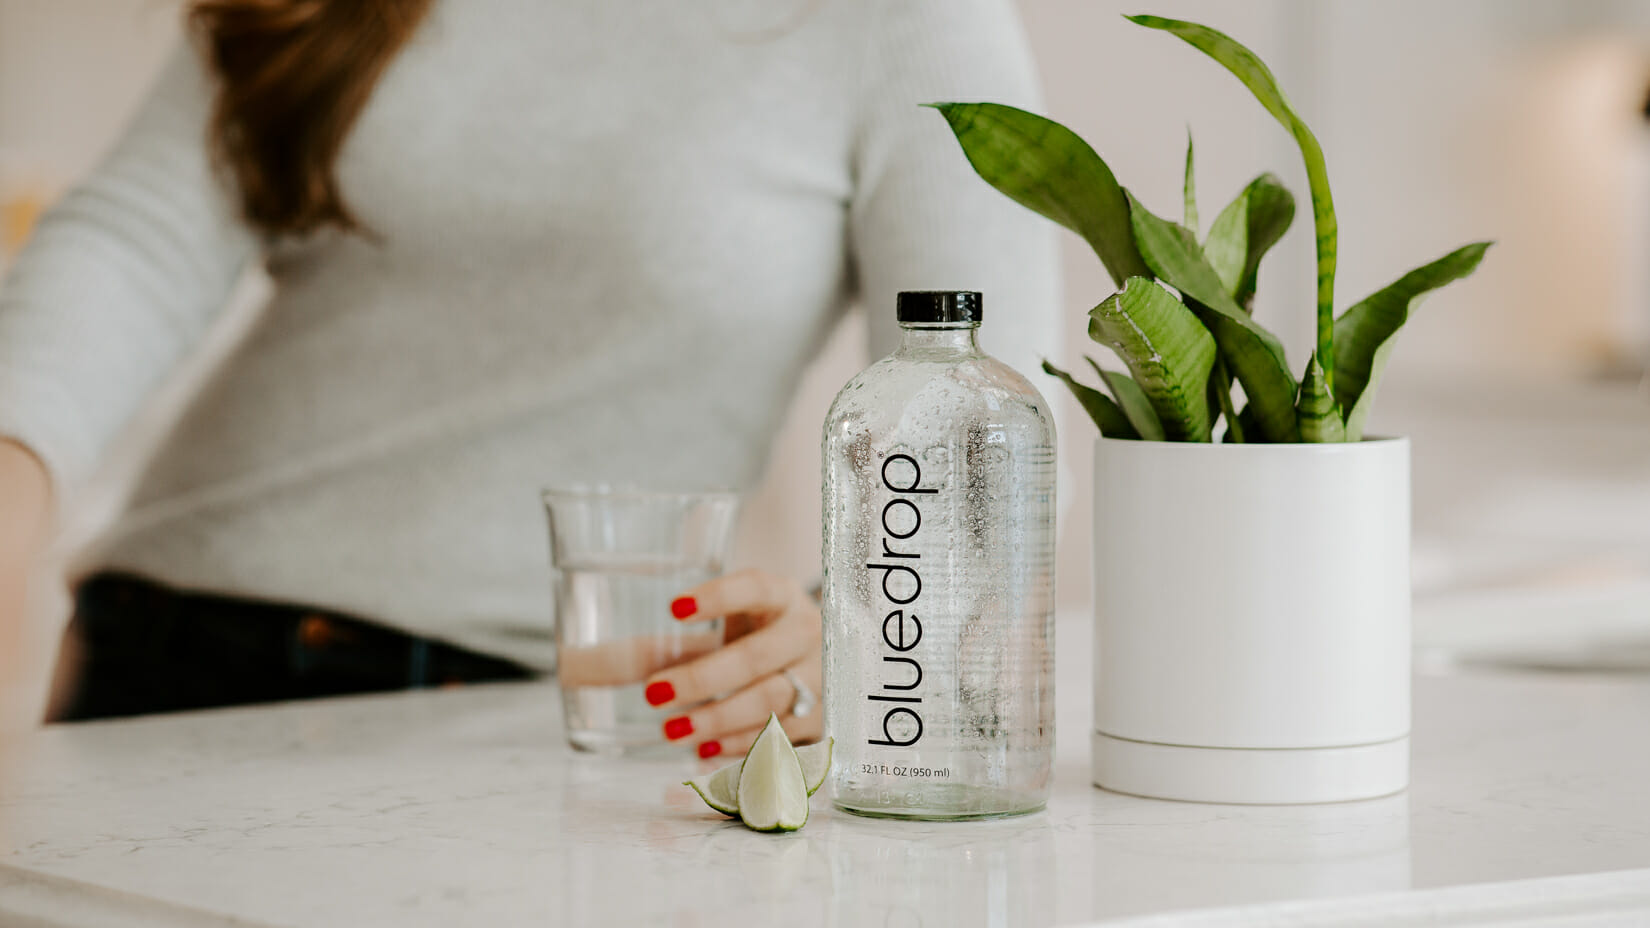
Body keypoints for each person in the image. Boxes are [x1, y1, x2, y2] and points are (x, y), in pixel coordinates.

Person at [0, 0, 1058, 759]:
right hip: (170, 652)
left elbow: (981, 426)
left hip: (540, 720)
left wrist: (853, 637)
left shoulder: (906, 23)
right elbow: (129, 248)